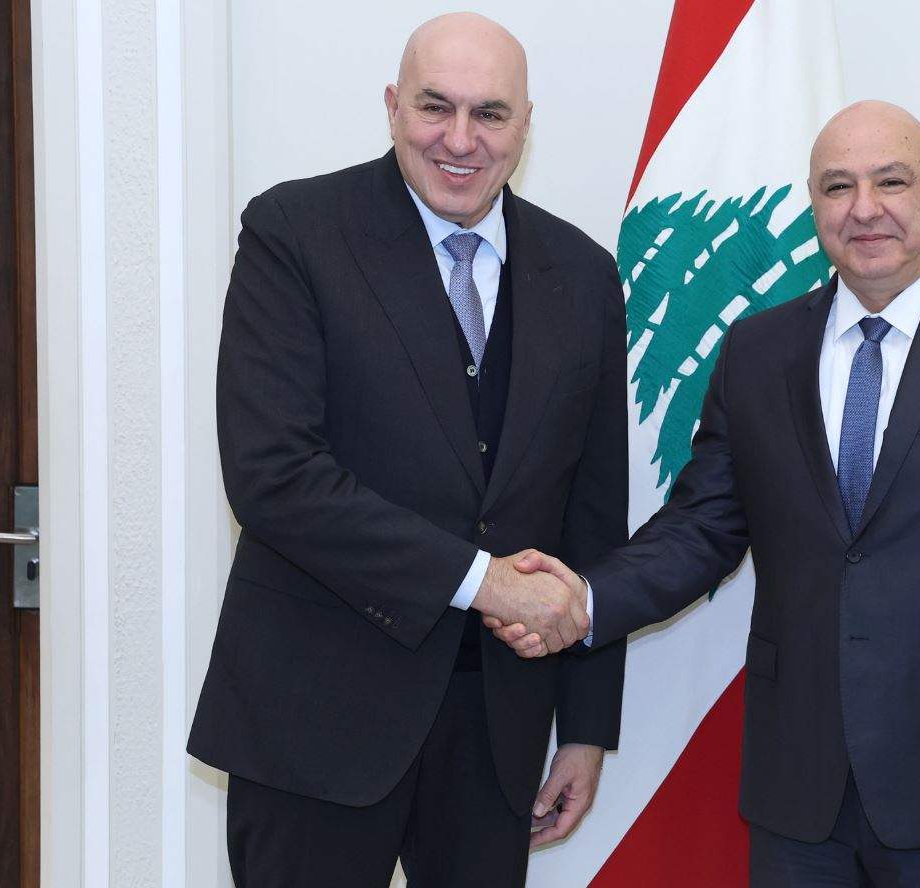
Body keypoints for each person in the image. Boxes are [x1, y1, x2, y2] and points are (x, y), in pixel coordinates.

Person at [490, 101, 920, 886]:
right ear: (814, 201)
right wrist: (582, 601)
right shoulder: (758, 350)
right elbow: (701, 528)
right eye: (838, 186)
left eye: (892, 181)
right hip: (799, 800)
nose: (865, 208)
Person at [187, 13, 625, 887]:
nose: (460, 140)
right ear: (392, 106)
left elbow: (591, 510)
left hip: (497, 735)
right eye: (435, 107)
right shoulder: (294, 232)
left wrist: (584, 727)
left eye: (490, 114)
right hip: (315, 724)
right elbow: (274, 476)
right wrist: (483, 580)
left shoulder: (583, 274)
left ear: (526, 124)